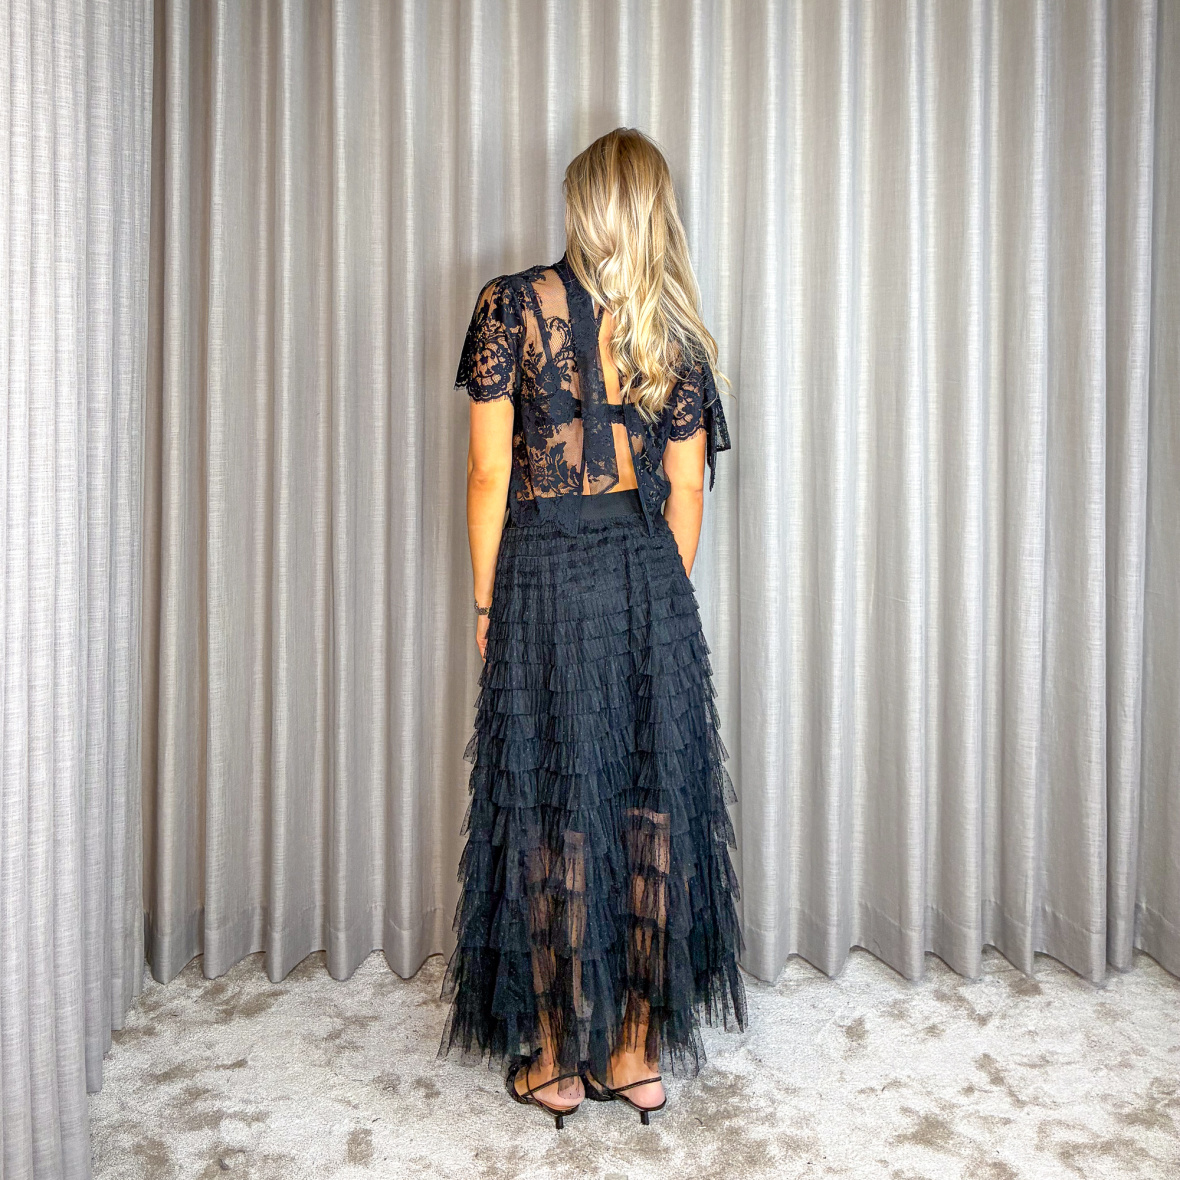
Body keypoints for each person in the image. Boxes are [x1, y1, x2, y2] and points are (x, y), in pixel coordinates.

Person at [438, 127, 747, 1130]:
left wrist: (487, 604)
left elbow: (490, 473)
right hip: (649, 580)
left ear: (582, 205)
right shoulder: (677, 332)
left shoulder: (509, 305)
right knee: (651, 807)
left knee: (551, 804)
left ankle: (554, 1059)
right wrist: (652, 594)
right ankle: (635, 1055)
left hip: (543, 575)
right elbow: (688, 489)